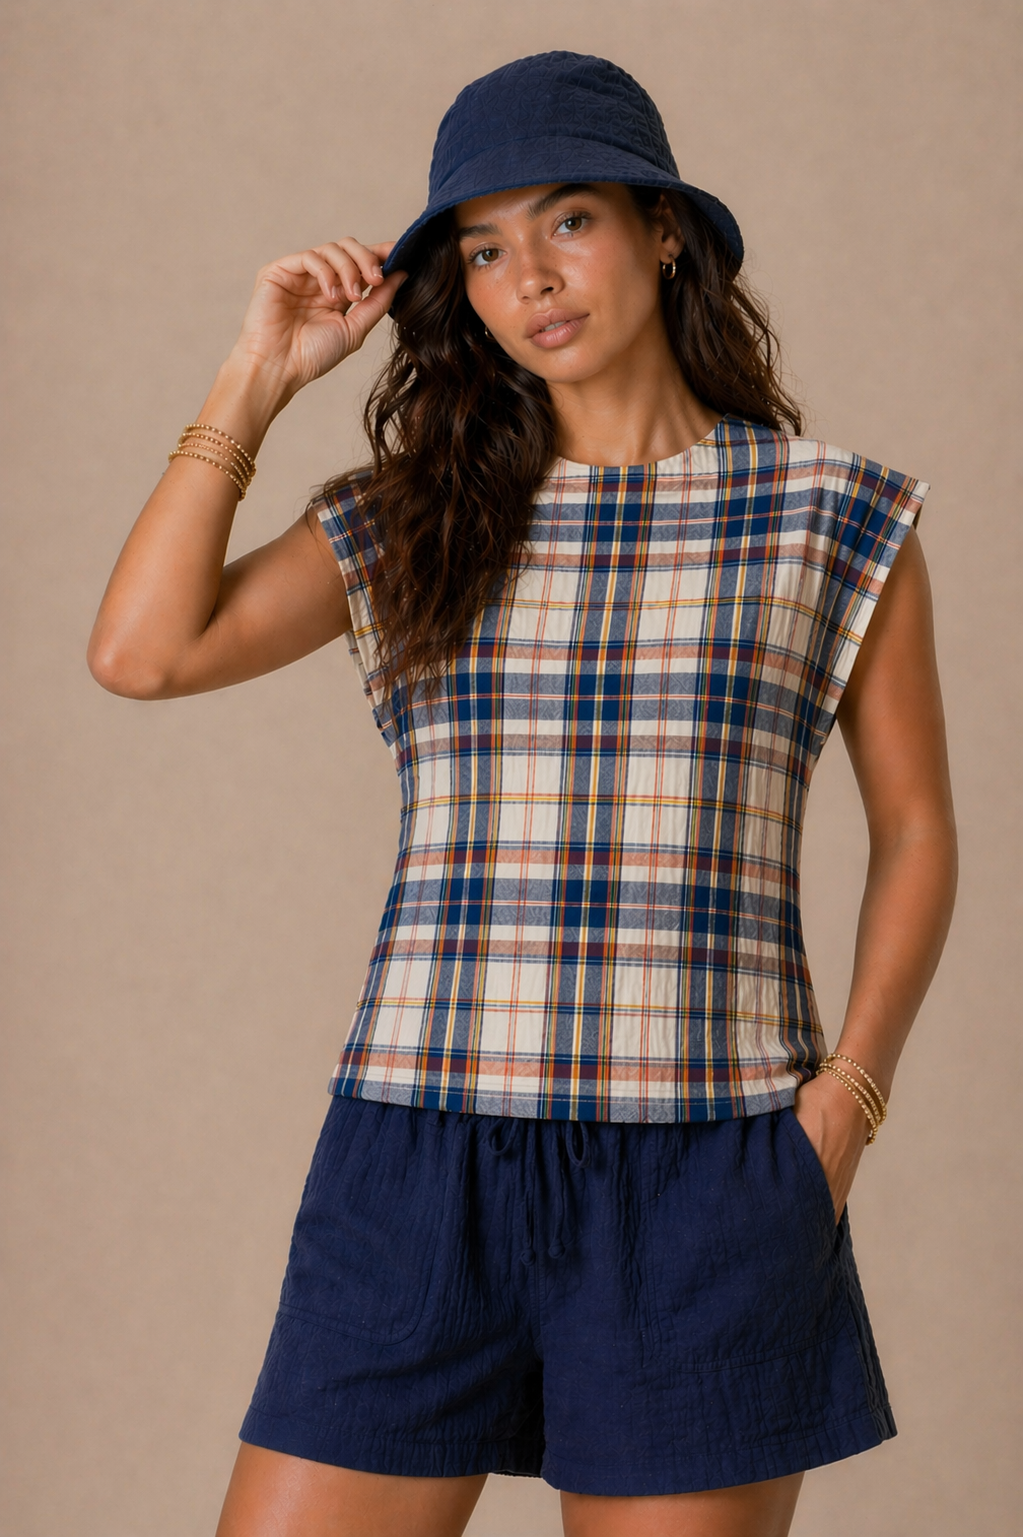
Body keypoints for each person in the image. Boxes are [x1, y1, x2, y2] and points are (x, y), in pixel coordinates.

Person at [88, 50, 957, 1537]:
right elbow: (143, 652)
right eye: (482, 250)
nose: (528, 280)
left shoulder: (829, 511)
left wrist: (844, 1108)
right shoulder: (419, 512)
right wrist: (259, 374)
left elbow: (916, 833)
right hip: (417, 1160)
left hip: (707, 1166)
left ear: (660, 229)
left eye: (566, 223)